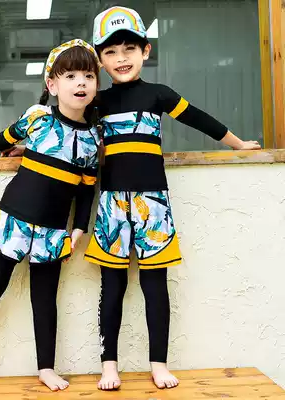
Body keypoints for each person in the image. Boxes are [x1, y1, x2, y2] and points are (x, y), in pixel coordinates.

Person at [83, 6, 261, 391]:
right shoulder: (96, 103)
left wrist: (237, 144)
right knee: (112, 286)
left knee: (155, 285)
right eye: (111, 52)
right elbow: (63, 127)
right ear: (99, 60)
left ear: (145, 51)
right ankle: (109, 366)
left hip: (154, 205)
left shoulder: (158, 94)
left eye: (129, 49)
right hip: (112, 205)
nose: (121, 58)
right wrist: (24, 148)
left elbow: (198, 118)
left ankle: (158, 364)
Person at [0, 39, 101, 391]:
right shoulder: (38, 118)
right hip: (14, 218)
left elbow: (86, 189)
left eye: (88, 76)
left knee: (45, 298)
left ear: (95, 85)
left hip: (53, 230)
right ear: (52, 85)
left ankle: (46, 368)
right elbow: (0, 139)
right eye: (71, 76)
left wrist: (79, 228)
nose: (80, 82)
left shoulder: (93, 139)